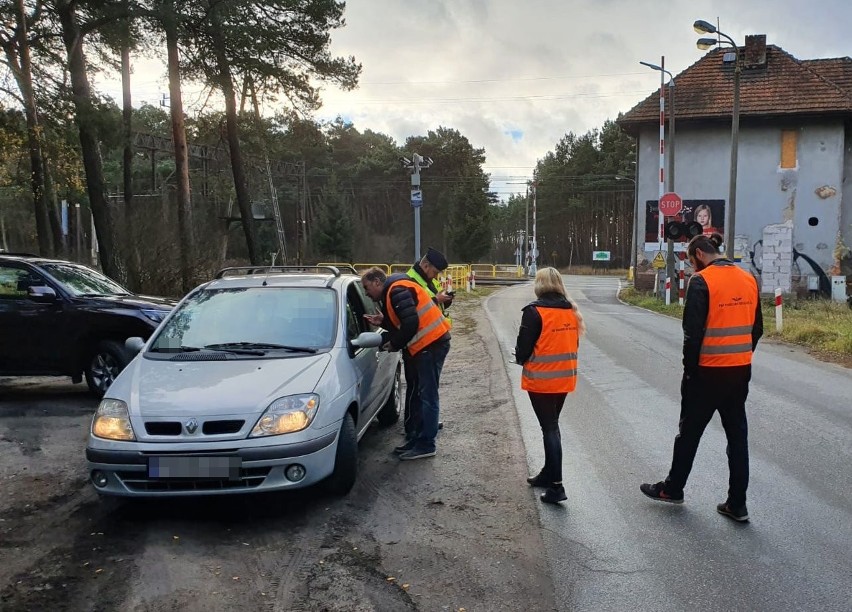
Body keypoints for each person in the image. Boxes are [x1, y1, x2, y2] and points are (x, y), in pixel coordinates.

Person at [640, 232, 763, 522]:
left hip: (707, 372)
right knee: (737, 437)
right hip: (739, 370)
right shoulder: (748, 279)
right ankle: (737, 504)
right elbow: (757, 329)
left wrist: (690, 370)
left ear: (697, 255)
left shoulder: (701, 281)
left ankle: (673, 489)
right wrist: (742, 357)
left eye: (690, 259)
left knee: (689, 433)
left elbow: (692, 335)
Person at [361, 266, 451, 460]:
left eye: (367, 287)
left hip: (431, 344)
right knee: (421, 394)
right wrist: (384, 321)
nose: (367, 293)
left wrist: (394, 344)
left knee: (428, 396)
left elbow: (411, 324)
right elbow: (404, 319)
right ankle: (418, 439)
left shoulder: (396, 290)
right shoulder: (394, 290)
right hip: (429, 344)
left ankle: (427, 444)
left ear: (377, 282)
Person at [514, 267, 585, 504]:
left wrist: (520, 358)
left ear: (540, 285)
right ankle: (548, 473)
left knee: (550, 429)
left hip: (542, 380)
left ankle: (557, 486)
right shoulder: (571, 311)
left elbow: (523, 349)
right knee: (551, 426)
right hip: (564, 380)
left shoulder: (534, 312)